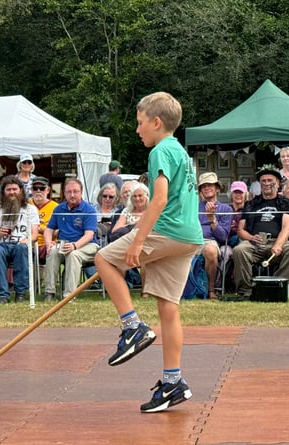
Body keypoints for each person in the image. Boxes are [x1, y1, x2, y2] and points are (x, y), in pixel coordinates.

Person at [94, 92, 202, 413]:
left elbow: (159, 199)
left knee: (103, 259)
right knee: (168, 308)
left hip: (168, 231)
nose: (137, 130)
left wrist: (139, 240)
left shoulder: (160, 151)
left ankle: (132, 327)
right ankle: (172, 382)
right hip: (189, 236)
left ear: (156, 123)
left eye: (140, 123)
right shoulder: (180, 152)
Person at [232, 164, 289, 299]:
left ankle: (276, 288)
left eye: (270, 181)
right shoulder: (251, 204)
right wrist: (251, 237)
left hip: (277, 241)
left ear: (278, 183)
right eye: (263, 181)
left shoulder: (287, 203)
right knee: (239, 250)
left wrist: (279, 245)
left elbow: (287, 228)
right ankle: (245, 292)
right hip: (254, 244)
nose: (266, 184)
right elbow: (240, 230)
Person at [43, 178, 99, 302]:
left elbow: (89, 235)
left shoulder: (89, 210)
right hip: (64, 244)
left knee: (74, 255)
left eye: (75, 191)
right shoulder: (59, 209)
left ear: (81, 192)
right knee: (52, 252)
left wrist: (75, 245)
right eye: (69, 192)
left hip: (87, 245)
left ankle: (68, 296)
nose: (72, 195)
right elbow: (48, 230)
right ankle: (49, 293)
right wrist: (48, 243)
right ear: (64, 193)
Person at [0, 176, 39, 304]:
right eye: (8, 190)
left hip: (21, 244)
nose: (12, 192)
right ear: (3, 192)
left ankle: (21, 293)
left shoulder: (30, 210)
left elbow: (34, 235)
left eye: (15, 189)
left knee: (21, 249)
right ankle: (2, 295)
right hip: (1, 245)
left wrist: (27, 240)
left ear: (21, 190)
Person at [196, 172, 233, 300]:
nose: (206, 188)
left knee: (211, 251)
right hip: (191, 240)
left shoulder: (226, 209)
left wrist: (212, 219)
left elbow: (223, 237)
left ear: (217, 188)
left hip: (210, 241)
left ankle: (210, 290)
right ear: (200, 190)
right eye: (203, 186)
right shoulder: (193, 208)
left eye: (210, 185)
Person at [109, 182, 150, 288]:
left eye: (140, 195)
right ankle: (120, 289)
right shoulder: (127, 211)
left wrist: (128, 225)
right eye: (134, 196)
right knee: (120, 256)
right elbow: (115, 231)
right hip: (127, 245)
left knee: (146, 258)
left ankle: (145, 290)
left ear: (146, 196)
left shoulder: (151, 211)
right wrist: (133, 224)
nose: (137, 199)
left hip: (147, 244)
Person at [29, 176, 58, 262]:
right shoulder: (25, 205)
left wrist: (41, 230)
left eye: (42, 188)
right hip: (28, 244)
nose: (38, 191)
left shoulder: (56, 207)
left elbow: (58, 231)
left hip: (47, 244)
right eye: (35, 188)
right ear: (31, 190)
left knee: (53, 250)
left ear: (48, 190)